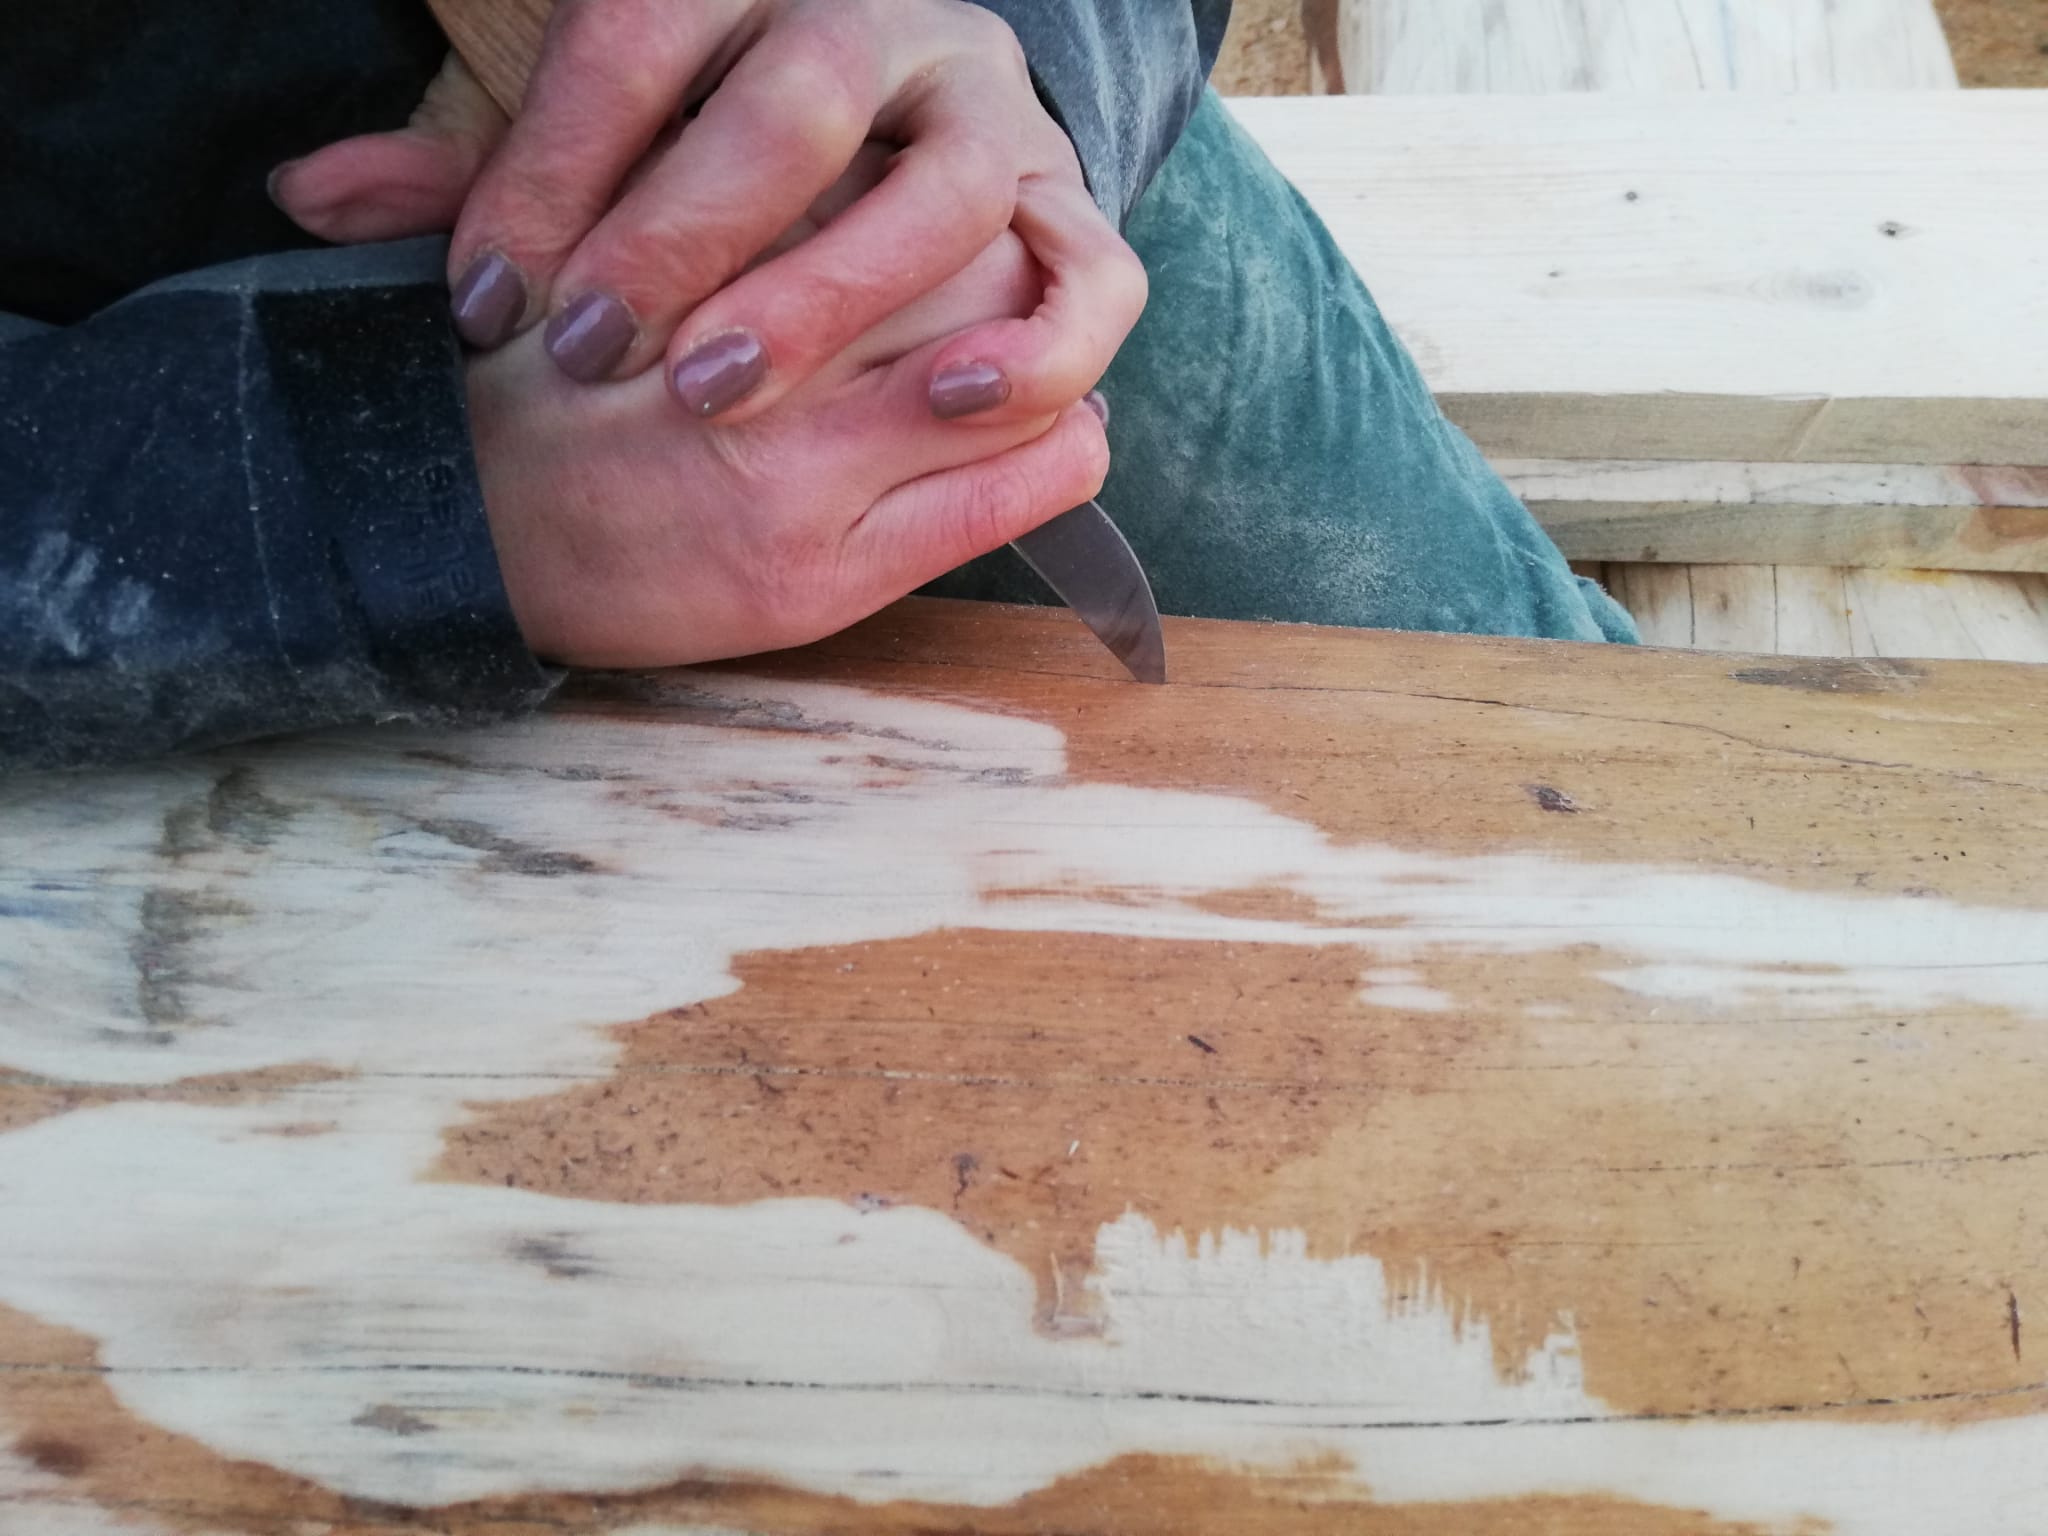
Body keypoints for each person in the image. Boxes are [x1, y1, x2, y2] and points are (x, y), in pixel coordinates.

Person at [1, 0, 1634, 774]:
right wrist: (377, 486)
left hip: (951, 183)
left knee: (1559, 809)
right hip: (124, 428)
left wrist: (1026, 60)